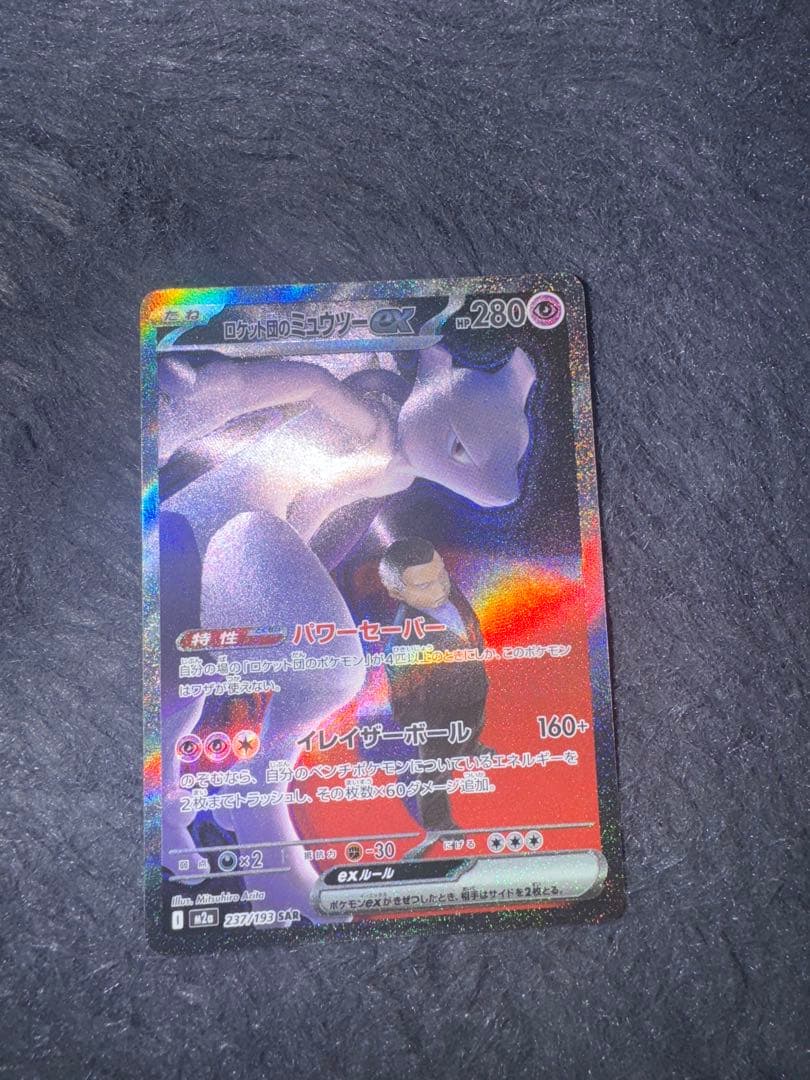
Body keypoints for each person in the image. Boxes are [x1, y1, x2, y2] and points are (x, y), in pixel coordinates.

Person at [379, 537, 492, 859]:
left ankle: (470, 746)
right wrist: (421, 726)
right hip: (437, 715)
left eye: (442, 574)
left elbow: (467, 619)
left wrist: (476, 651)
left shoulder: (449, 591)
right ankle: (437, 822)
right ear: (397, 593)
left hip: (472, 687)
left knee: (474, 724)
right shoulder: (403, 639)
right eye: (425, 585)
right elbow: (401, 690)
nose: (441, 587)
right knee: (434, 768)